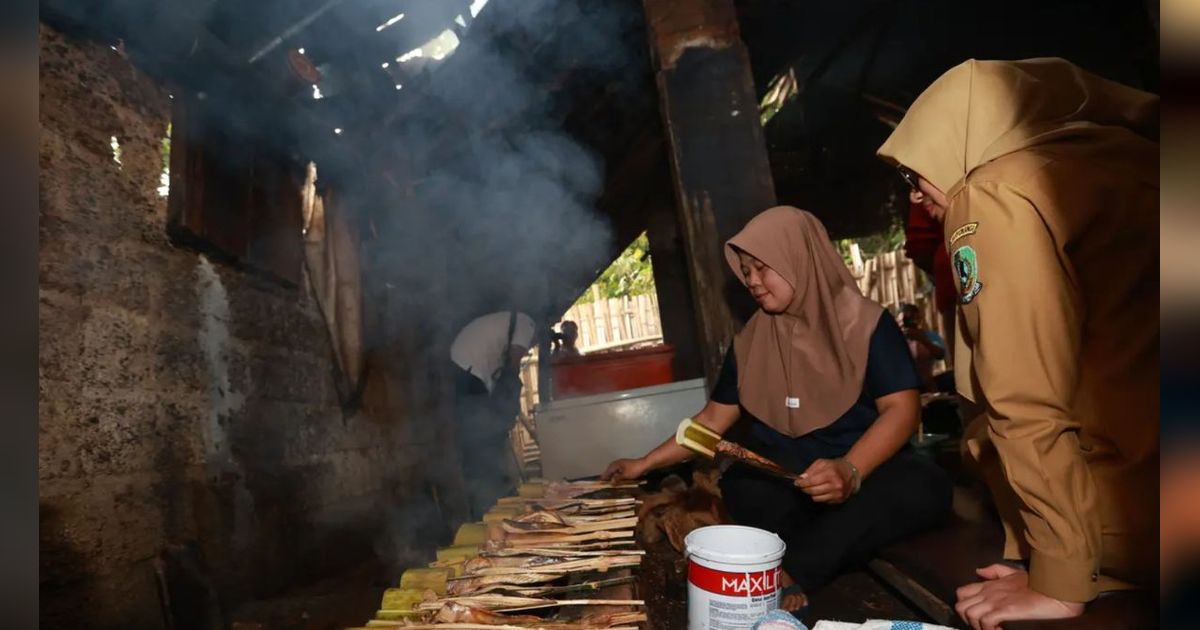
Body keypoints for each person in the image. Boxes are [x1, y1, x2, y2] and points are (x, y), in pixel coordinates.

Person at [877, 58, 1158, 629]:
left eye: (913, 177)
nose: (914, 200)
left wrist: (1060, 577)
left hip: (1130, 517)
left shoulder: (995, 194)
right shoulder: (1132, 162)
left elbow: (1024, 400)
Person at [602, 206, 952, 614]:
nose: (751, 280)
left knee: (919, 486)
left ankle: (788, 571)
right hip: (792, 480)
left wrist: (850, 469)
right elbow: (712, 422)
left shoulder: (867, 324)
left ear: (798, 259)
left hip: (864, 472)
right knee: (744, 483)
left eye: (761, 268)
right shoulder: (751, 340)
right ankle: (804, 559)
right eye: (745, 270)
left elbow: (902, 410)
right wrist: (643, 464)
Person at [450, 310, 536, 519]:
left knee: (482, 434)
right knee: (483, 436)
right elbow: (513, 367)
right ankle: (488, 501)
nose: (528, 352)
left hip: (462, 362)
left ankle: (488, 493)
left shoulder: (510, 322)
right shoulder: (527, 324)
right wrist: (508, 403)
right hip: (468, 367)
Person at [896, 303, 945, 392]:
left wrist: (923, 340)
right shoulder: (895, 340)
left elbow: (941, 354)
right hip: (906, 390)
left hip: (928, 386)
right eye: (901, 323)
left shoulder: (928, 336)